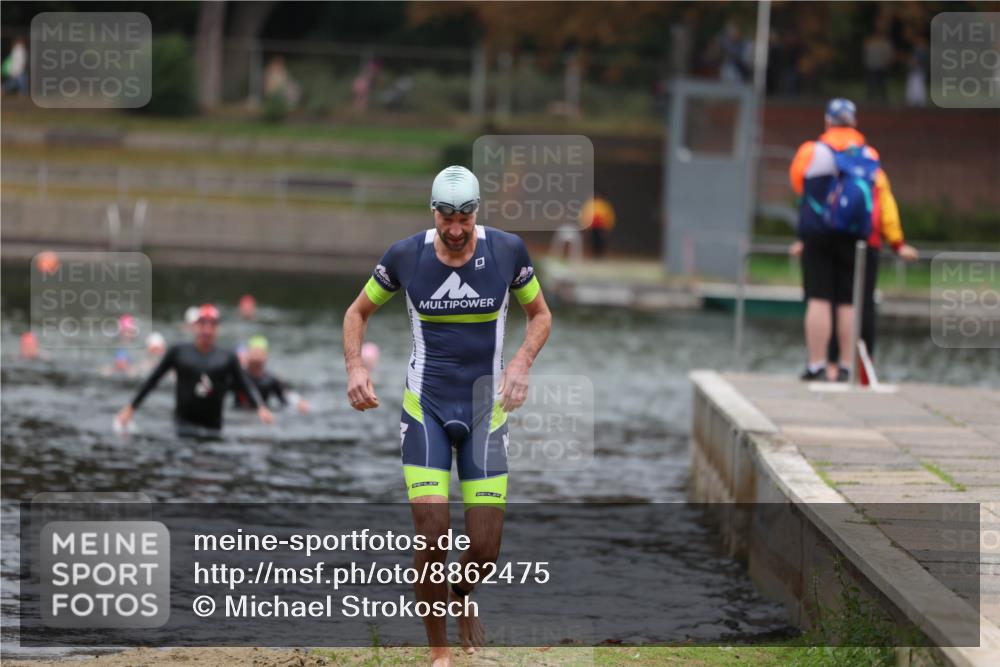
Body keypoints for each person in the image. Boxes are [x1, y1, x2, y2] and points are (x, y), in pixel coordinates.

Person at [342, 165, 552, 667]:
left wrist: (521, 362)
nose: (456, 229)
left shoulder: (507, 251)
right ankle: (439, 651)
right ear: (433, 212)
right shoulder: (405, 256)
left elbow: (540, 314)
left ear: (477, 212)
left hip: (485, 413)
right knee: (433, 533)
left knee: (484, 550)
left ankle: (459, 594)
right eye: (446, 218)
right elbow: (356, 313)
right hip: (426, 410)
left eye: (465, 218)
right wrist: (355, 368)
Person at [788, 98, 893, 381]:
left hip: (818, 233)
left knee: (819, 298)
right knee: (849, 300)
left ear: (827, 121)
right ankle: (847, 365)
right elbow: (877, 192)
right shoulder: (869, 153)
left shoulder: (812, 151)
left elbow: (798, 184)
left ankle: (817, 364)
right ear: (854, 122)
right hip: (854, 236)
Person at [116, 304, 273, 437]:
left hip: (213, 429)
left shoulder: (227, 357)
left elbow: (245, 383)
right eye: (203, 324)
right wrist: (131, 407)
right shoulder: (178, 352)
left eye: (212, 324)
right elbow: (153, 379)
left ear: (217, 328)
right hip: (182, 427)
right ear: (195, 326)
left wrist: (260, 407)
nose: (207, 330)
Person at [231, 335, 309, 414]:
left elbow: (285, 397)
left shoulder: (270, 379)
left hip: (262, 414)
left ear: (265, 357)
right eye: (254, 352)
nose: (256, 356)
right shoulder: (238, 377)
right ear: (247, 355)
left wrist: (298, 402)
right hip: (239, 413)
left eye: (259, 353)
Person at [578, 194, 616, 259]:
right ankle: (594, 255)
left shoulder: (603, 205)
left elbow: (608, 216)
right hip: (592, 227)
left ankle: (601, 255)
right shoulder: (590, 205)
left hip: (601, 227)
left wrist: (608, 226)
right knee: (593, 242)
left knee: (601, 242)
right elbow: (585, 216)